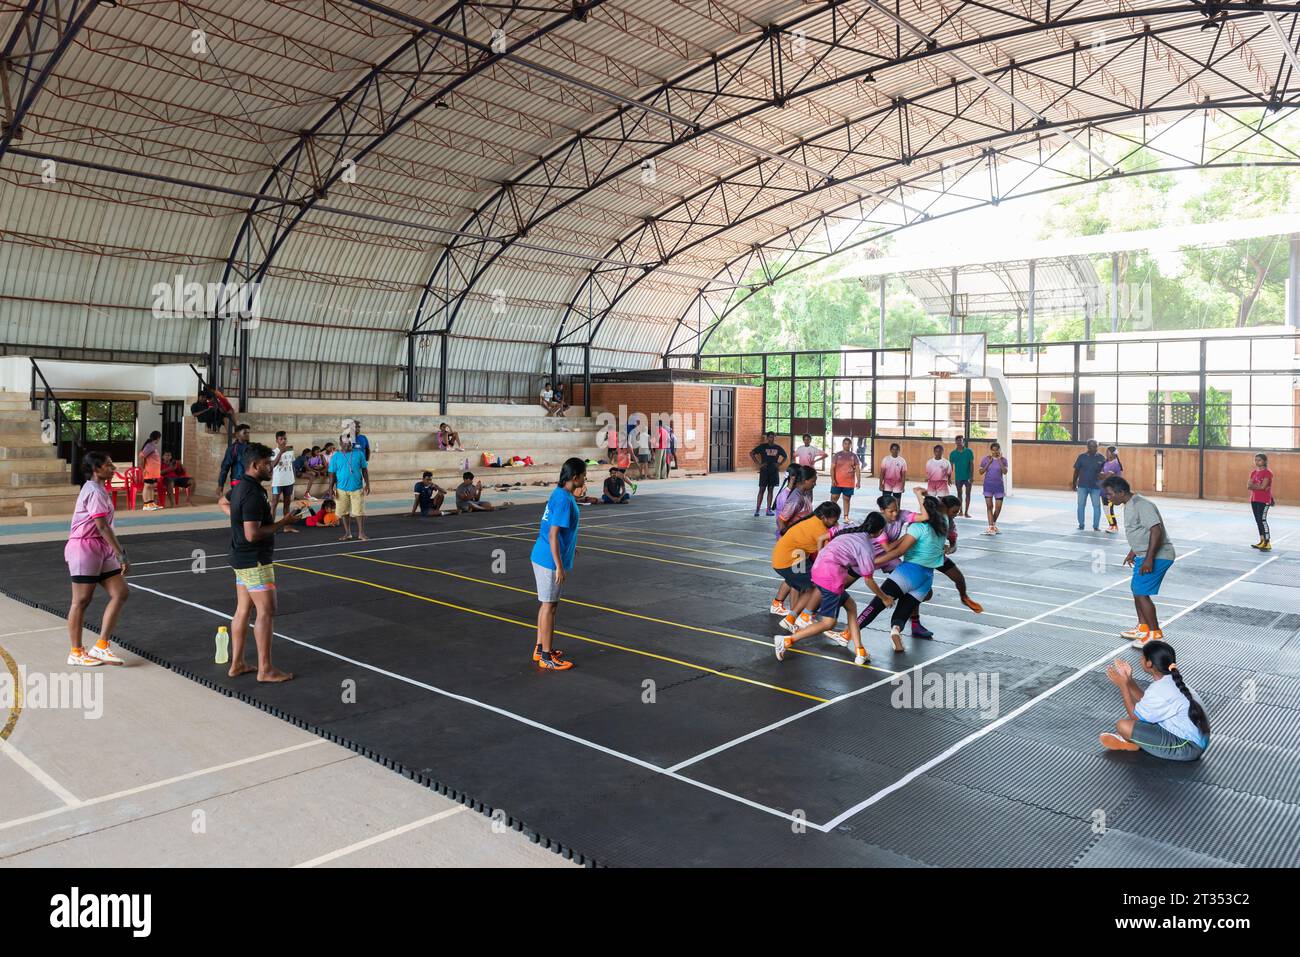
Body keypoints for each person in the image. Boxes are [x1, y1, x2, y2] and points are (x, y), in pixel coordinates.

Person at [219, 442, 299, 682]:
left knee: (243, 610)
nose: (271, 468)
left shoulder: (241, 486)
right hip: (254, 560)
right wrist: (284, 521)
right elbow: (252, 534)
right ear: (254, 465)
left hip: (240, 558)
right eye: (266, 464)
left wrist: (237, 518)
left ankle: (237, 664)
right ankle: (265, 670)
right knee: (266, 611)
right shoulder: (253, 494)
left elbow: (222, 502)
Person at [776, 511, 898, 667]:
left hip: (820, 569)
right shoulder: (866, 548)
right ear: (880, 531)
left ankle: (860, 652)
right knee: (828, 623)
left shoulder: (851, 526)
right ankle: (786, 640)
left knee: (851, 607)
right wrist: (884, 598)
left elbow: (823, 538)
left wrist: (823, 557)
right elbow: (868, 580)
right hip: (830, 578)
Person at [64, 451, 129, 667]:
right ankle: (76, 651)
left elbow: (105, 528)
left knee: (120, 593)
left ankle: (101, 646)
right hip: (84, 547)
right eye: (109, 465)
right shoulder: (93, 491)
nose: (113, 468)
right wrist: (120, 554)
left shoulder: (100, 489)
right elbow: (101, 526)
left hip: (100, 547)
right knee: (81, 601)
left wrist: (116, 552)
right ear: (96, 469)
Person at [1100, 641, 1209, 760]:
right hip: (1194, 742)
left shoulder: (1160, 689)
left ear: (1149, 663)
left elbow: (1134, 716)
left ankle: (1131, 742)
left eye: (1142, 657)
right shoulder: (1170, 681)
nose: (1140, 659)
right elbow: (1148, 704)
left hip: (1187, 747)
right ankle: (1134, 742)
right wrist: (1128, 680)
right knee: (1140, 721)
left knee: (1123, 726)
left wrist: (1123, 686)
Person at [1101, 475, 1176, 648]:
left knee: (1142, 593)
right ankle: (1143, 628)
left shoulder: (1142, 505)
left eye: (1110, 494)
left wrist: (1149, 559)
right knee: (1137, 590)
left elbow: (1156, 531)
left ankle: (1156, 636)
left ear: (1121, 492)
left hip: (1159, 555)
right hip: (1143, 554)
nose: (1108, 497)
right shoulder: (1128, 504)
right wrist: (1132, 552)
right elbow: (1141, 532)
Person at [530, 457, 590, 671]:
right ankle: (546, 657)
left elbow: (557, 530)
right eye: (584, 475)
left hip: (542, 554)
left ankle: (540, 649)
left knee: (546, 605)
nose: (585, 479)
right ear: (575, 477)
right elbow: (554, 535)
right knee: (550, 607)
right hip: (548, 560)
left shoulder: (559, 494)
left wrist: (570, 546)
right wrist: (559, 566)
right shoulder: (564, 499)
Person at [770, 501, 841, 635]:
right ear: (824, 517)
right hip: (789, 560)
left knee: (803, 585)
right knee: (818, 585)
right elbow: (828, 552)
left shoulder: (815, 520)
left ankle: (793, 618)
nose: (836, 522)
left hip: (792, 557)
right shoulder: (819, 529)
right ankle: (802, 617)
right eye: (835, 519)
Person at [327, 435, 370, 541]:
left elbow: (364, 470)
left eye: (350, 442)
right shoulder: (336, 456)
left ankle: (361, 533)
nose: (348, 444)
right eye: (346, 443)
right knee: (344, 512)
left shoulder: (359, 454)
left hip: (357, 488)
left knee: (359, 512)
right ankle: (348, 533)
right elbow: (331, 474)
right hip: (341, 489)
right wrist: (330, 488)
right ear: (341, 444)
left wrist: (368, 484)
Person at [750, 431, 788, 516]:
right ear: (767, 438)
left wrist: (779, 464)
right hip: (764, 471)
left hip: (773, 471)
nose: (772, 438)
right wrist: (758, 464)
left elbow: (785, 456)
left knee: (770, 490)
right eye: (770, 437)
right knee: (762, 489)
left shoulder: (778, 448)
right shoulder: (762, 447)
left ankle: (768, 509)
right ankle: (757, 509)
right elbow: (751, 453)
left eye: (773, 437)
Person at [1072, 439, 1106, 531]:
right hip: (1082, 486)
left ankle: (1096, 526)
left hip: (1096, 487)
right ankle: (1081, 525)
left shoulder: (1101, 458)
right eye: (1093, 446)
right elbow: (1076, 471)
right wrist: (1074, 483)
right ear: (1088, 447)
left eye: (1096, 446)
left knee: (1096, 506)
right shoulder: (1081, 457)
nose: (1095, 448)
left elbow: (1104, 472)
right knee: (1081, 505)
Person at [269, 430, 299, 533]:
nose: (283, 441)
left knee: (287, 504)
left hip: (289, 481)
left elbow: (292, 464)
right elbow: (272, 465)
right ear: (277, 440)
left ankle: (287, 526)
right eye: (281, 439)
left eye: (285, 438)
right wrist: (281, 453)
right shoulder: (273, 452)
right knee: (274, 505)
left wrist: (293, 476)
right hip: (278, 482)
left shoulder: (290, 450)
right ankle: (271, 527)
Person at [978, 441, 1008, 534]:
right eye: (993, 450)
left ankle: (993, 525)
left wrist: (999, 460)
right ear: (991, 450)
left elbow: (1004, 472)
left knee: (998, 508)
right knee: (989, 506)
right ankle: (991, 527)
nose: (995, 452)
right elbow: (981, 472)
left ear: (1000, 450)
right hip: (988, 486)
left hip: (999, 487)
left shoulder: (1003, 460)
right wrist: (989, 463)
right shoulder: (986, 459)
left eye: (997, 450)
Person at [829, 438, 861, 522]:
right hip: (837, 481)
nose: (847, 445)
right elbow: (832, 468)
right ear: (842, 444)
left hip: (849, 482)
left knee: (846, 499)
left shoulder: (854, 456)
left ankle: (846, 516)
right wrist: (833, 479)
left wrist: (859, 481)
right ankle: (831, 515)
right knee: (834, 498)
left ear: (851, 445)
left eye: (848, 444)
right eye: (845, 443)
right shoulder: (837, 455)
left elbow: (857, 469)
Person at [1248, 453, 1274, 551]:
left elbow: (1263, 487)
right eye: (1256, 460)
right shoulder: (1253, 472)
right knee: (1258, 520)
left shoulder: (1267, 473)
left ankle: (1267, 542)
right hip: (1254, 499)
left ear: (1264, 461)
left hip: (1264, 500)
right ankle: (1262, 540)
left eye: (1259, 460)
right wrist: (1258, 487)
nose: (1257, 462)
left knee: (1262, 520)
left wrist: (1254, 486)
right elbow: (1248, 485)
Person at [217, 423, 251, 495]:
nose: (247, 434)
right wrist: (221, 484)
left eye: (248, 432)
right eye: (245, 433)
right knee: (238, 503)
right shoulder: (232, 449)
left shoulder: (252, 447)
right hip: (237, 480)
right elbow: (225, 467)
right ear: (237, 435)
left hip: (251, 480)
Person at [949, 435, 975, 517]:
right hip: (958, 477)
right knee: (959, 494)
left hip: (967, 477)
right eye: (957, 440)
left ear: (963, 441)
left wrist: (971, 477)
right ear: (955, 442)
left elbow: (971, 464)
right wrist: (949, 477)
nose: (959, 442)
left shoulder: (969, 452)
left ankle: (966, 512)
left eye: (961, 440)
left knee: (968, 494)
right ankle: (960, 511)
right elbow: (951, 466)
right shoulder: (953, 453)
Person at [138, 430, 163, 510]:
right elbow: (142, 456)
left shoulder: (152, 445)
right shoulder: (149, 445)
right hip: (149, 470)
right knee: (147, 486)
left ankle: (151, 503)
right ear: (158, 438)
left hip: (154, 471)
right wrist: (143, 469)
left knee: (152, 486)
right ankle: (146, 504)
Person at [1101, 446, 1124, 533]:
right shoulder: (1106, 462)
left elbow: (1106, 476)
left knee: (1110, 508)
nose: (1106, 454)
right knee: (1106, 508)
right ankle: (1111, 525)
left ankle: (1114, 526)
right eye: (1106, 452)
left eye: (1108, 452)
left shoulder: (1115, 464)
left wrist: (1103, 475)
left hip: (1112, 490)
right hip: (1105, 489)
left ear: (1113, 454)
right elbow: (1101, 475)